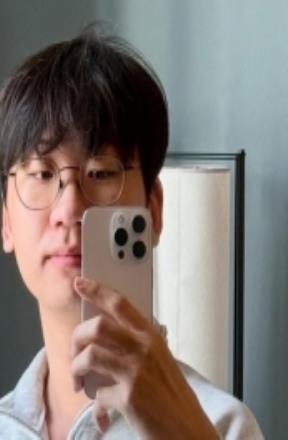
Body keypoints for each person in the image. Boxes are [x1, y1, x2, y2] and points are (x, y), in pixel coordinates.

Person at [0, 27, 263, 439]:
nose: (69, 210)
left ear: (153, 210)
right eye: (42, 173)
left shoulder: (219, 424)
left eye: (101, 172)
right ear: (6, 222)